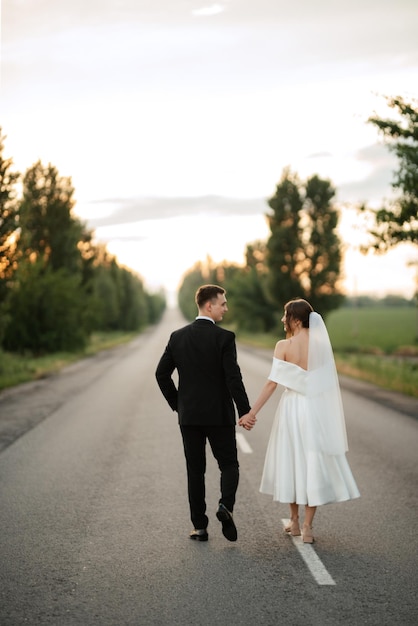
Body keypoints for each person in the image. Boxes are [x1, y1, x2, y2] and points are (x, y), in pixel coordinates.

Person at [239, 298, 360, 543]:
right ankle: (307, 527)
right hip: (314, 409)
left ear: (295, 318)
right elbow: (327, 386)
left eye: (285, 315)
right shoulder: (321, 346)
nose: (283, 320)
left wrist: (252, 413)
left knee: (292, 460)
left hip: (292, 408)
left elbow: (272, 383)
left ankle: (293, 522)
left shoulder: (283, 345)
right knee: (312, 462)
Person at [155, 284, 252, 542]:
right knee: (229, 465)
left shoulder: (177, 337)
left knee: (195, 471)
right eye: (223, 303)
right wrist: (245, 411)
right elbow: (234, 378)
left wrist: (179, 404)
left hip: (190, 418)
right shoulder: (224, 338)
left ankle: (200, 527)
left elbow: (161, 374)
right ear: (209, 305)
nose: (226, 308)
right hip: (219, 415)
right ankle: (225, 506)